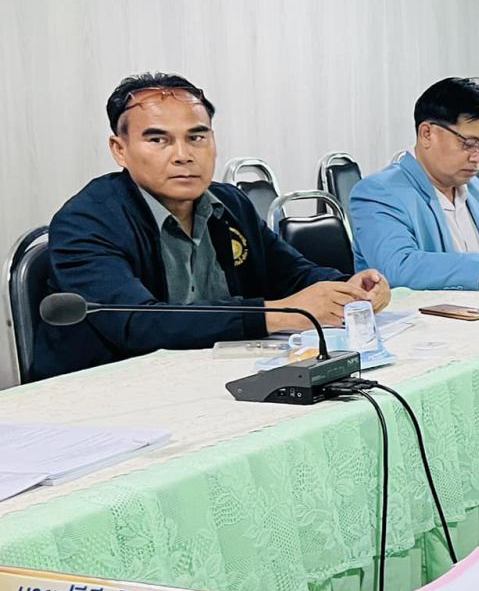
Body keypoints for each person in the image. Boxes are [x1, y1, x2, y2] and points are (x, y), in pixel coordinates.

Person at [33, 73, 390, 380]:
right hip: (108, 395)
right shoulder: (87, 221)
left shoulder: (230, 204)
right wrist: (279, 315)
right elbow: (138, 324)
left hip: (212, 379)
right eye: (158, 140)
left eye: (197, 137)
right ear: (119, 149)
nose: (183, 155)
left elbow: (292, 273)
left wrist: (350, 288)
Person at [350, 78, 479, 291]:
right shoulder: (378, 193)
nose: (478, 158)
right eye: (469, 144)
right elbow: (398, 268)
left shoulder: (477, 190)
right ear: (427, 134)